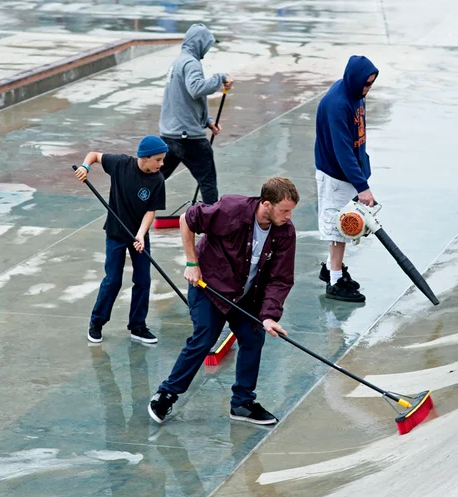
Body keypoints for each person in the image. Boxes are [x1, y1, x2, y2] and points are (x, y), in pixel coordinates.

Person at [148, 177, 299, 425]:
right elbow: (187, 219)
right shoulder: (232, 209)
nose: (288, 216)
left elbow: (280, 279)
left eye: (291, 210)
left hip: (245, 294)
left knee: (253, 337)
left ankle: (242, 403)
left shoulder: (285, 232)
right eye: (284, 210)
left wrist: (269, 315)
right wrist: (192, 263)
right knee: (205, 336)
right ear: (266, 204)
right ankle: (167, 394)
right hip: (210, 286)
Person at [75, 136, 168, 345]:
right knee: (113, 280)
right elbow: (95, 155)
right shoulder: (120, 163)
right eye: (158, 160)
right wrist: (85, 167)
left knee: (143, 280)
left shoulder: (157, 179)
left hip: (139, 236)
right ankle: (96, 323)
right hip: (116, 233)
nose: (162, 164)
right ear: (144, 158)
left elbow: (150, 211)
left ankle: (138, 326)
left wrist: (142, 234)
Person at [314, 55, 379, 303]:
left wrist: (363, 173)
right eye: (366, 84)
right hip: (334, 174)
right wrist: (362, 187)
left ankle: (334, 269)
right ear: (354, 80)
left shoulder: (355, 94)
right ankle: (334, 281)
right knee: (338, 228)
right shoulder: (337, 104)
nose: (368, 89)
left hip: (351, 172)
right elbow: (342, 149)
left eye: (371, 83)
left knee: (346, 226)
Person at [158, 23, 234, 205]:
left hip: (170, 135)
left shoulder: (177, 62)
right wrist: (220, 78)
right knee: (208, 182)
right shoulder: (191, 63)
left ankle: (136, 211)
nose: (207, 50)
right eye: (207, 45)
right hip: (188, 138)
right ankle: (211, 221)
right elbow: (196, 88)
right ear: (199, 43)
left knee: (155, 179)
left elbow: (181, 100)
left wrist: (206, 121)